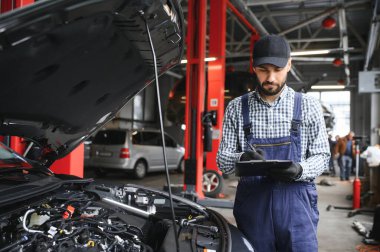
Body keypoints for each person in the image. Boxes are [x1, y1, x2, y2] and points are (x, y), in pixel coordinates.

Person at [216, 34, 330, 252]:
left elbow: (322, 156)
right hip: (254, 209)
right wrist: (242, 158)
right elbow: (222, 159)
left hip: (297, 208)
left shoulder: (308, 106)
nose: (270, 78)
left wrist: (299, 169)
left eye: (277, 70)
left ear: (289, 65)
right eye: (263, 70)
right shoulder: (237, 108)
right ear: (253, 67)